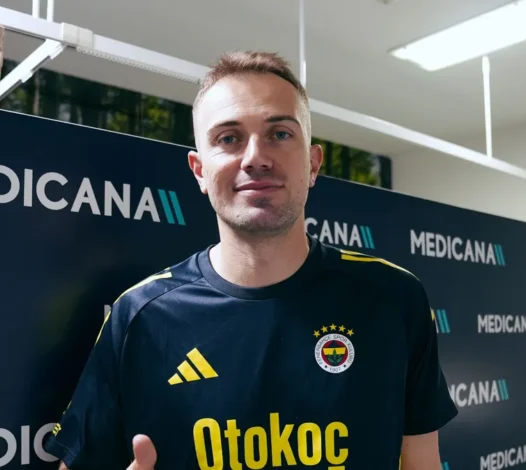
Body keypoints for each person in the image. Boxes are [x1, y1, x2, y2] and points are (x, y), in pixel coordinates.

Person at [44, 50, 458, 470]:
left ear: (313, 164)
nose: (256, 157)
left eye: (280, 133)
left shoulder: (394, 298)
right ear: (199, 171)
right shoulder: (139, 316)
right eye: (229, 138)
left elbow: (422, 461)